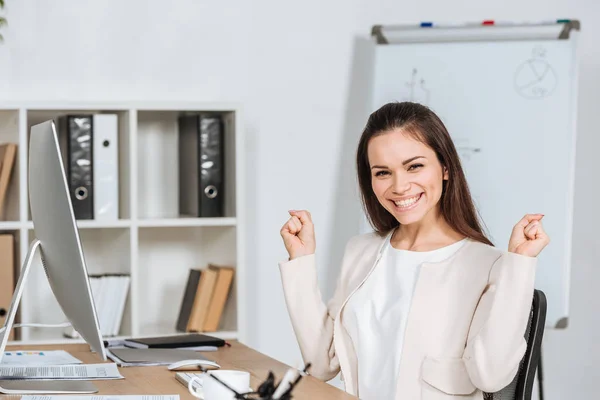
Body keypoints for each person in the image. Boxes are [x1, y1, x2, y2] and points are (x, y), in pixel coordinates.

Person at [278, 102, 549, 400]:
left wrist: (520, 266)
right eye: (383, 172)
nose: (399, 186)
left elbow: (492, 375)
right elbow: (320, 364)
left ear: (445, 167)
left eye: (414, 166)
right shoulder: (361, 251)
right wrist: (301, 261)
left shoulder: (486, 264)